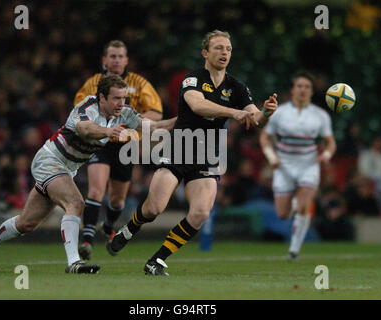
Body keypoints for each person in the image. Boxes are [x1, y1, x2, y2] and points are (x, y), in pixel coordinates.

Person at [107, 30, 278, 276]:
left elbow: (255, 118)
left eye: (228, 49)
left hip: (208, 155)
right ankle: (129, 229)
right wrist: (233, 113)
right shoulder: (192, 79)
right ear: (205, 53)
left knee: (200, 213)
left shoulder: (237, 87)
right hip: (180, 147)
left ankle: (157, 260)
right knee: (154, 208)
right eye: (219, 48)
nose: (224, 53)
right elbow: (198, 105)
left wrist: (267, 111)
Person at [0, 74, 175, 273]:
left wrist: (183, 119)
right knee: (76, 203)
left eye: (124, 98)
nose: (121, 103)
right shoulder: (87, 107)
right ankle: (73, 262)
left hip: (67, 169)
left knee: (26, 223)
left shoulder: (125, 113)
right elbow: (85, 129)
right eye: (116, 98)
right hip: (50, 161)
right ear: (102, 97)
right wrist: (107, 132)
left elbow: (154, 127)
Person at [74, 40, 163, 260]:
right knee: (96, 190)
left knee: (117, 200)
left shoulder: (139, 83)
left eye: (120, 56)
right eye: (112, 56)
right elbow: (78, 109)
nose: (116, 60)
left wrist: (133, 120)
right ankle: (86, 239)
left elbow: (156, 113)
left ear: (126, 60)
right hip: (101, 143)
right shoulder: (93, 83)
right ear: (104, 60)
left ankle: (110, 224)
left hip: (127, 145)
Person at [259, 71, 336, 259]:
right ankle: (293, 203)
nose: (303, 90)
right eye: (299, 86)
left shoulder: (320, 116)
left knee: (303, 206)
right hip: (284, 166)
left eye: (307, 87)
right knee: (283, 214)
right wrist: (271, 157)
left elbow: (330, 142)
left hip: (308, 164)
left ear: (311, 91)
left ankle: (294, 250)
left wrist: (325, 155)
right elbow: (265, 137)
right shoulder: (280, 113)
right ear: (293, 90)